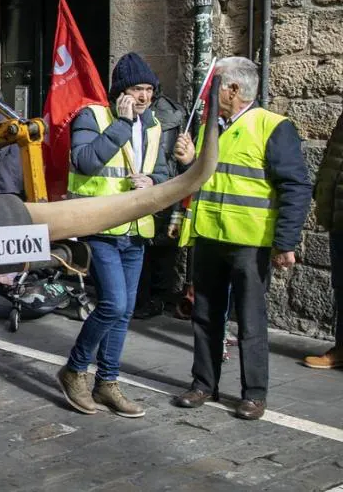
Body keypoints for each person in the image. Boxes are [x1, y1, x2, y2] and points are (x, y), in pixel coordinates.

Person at [172, 56, 311, 420]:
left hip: (249, 242)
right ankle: (203, 383)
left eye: (214, 86)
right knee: (205, 315)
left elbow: (295, 187)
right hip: (208, 235)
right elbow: (206, 179)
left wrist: (286, 241)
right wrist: (188, 163)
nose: (208, 94)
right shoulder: (210, 127)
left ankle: (254, 394)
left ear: (233, 89)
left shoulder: (272, 127)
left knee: (250, 321)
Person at [57, 52, 170, 418]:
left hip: (136, 229)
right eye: (137, 89)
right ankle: (74, 370)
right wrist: (121, 124)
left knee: (125, 313)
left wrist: (152, 180)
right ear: (121, 91)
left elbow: (165, 173)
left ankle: (107, 382)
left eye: (149, 90)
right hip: (100, 226)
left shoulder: (153, 126)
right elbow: (85, 161)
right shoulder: (94, 115)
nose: (144, 97)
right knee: (113, 305)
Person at [134, 91, 189, 318]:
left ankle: (148, 300)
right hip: (168, 188)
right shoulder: (173, 114)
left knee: (153, 249)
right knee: (160, 249)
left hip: (158, 186)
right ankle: (154, 298)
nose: (142, 95)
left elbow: (163, 157)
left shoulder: (157, 118)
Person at [305, 107, 343, 369]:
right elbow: (333, 157)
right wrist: (321, 191)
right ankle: (341, 348)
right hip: (338, 215)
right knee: (341, 285)